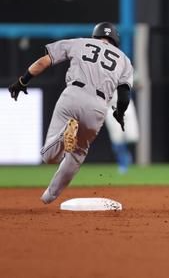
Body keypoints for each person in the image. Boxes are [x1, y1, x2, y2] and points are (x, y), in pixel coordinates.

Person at [8, 22, 133, 204]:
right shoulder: (124, 60)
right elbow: (124, 95)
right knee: (78, 153)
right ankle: (49, 196)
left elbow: (44, 61)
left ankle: (65, 133)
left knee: (49, 158)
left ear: (95, 36)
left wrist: (22, 81)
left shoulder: (80, 42)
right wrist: (120, 113)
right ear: (115, 40)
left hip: (73, 95)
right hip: (98, 106)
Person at [104, 89, 139, 174]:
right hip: (111, 108)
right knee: (117, 139)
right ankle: (122, 163)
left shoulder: (125, 75)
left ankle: (125, 152)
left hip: (126, 104)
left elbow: (137, 83)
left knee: (133, 137)